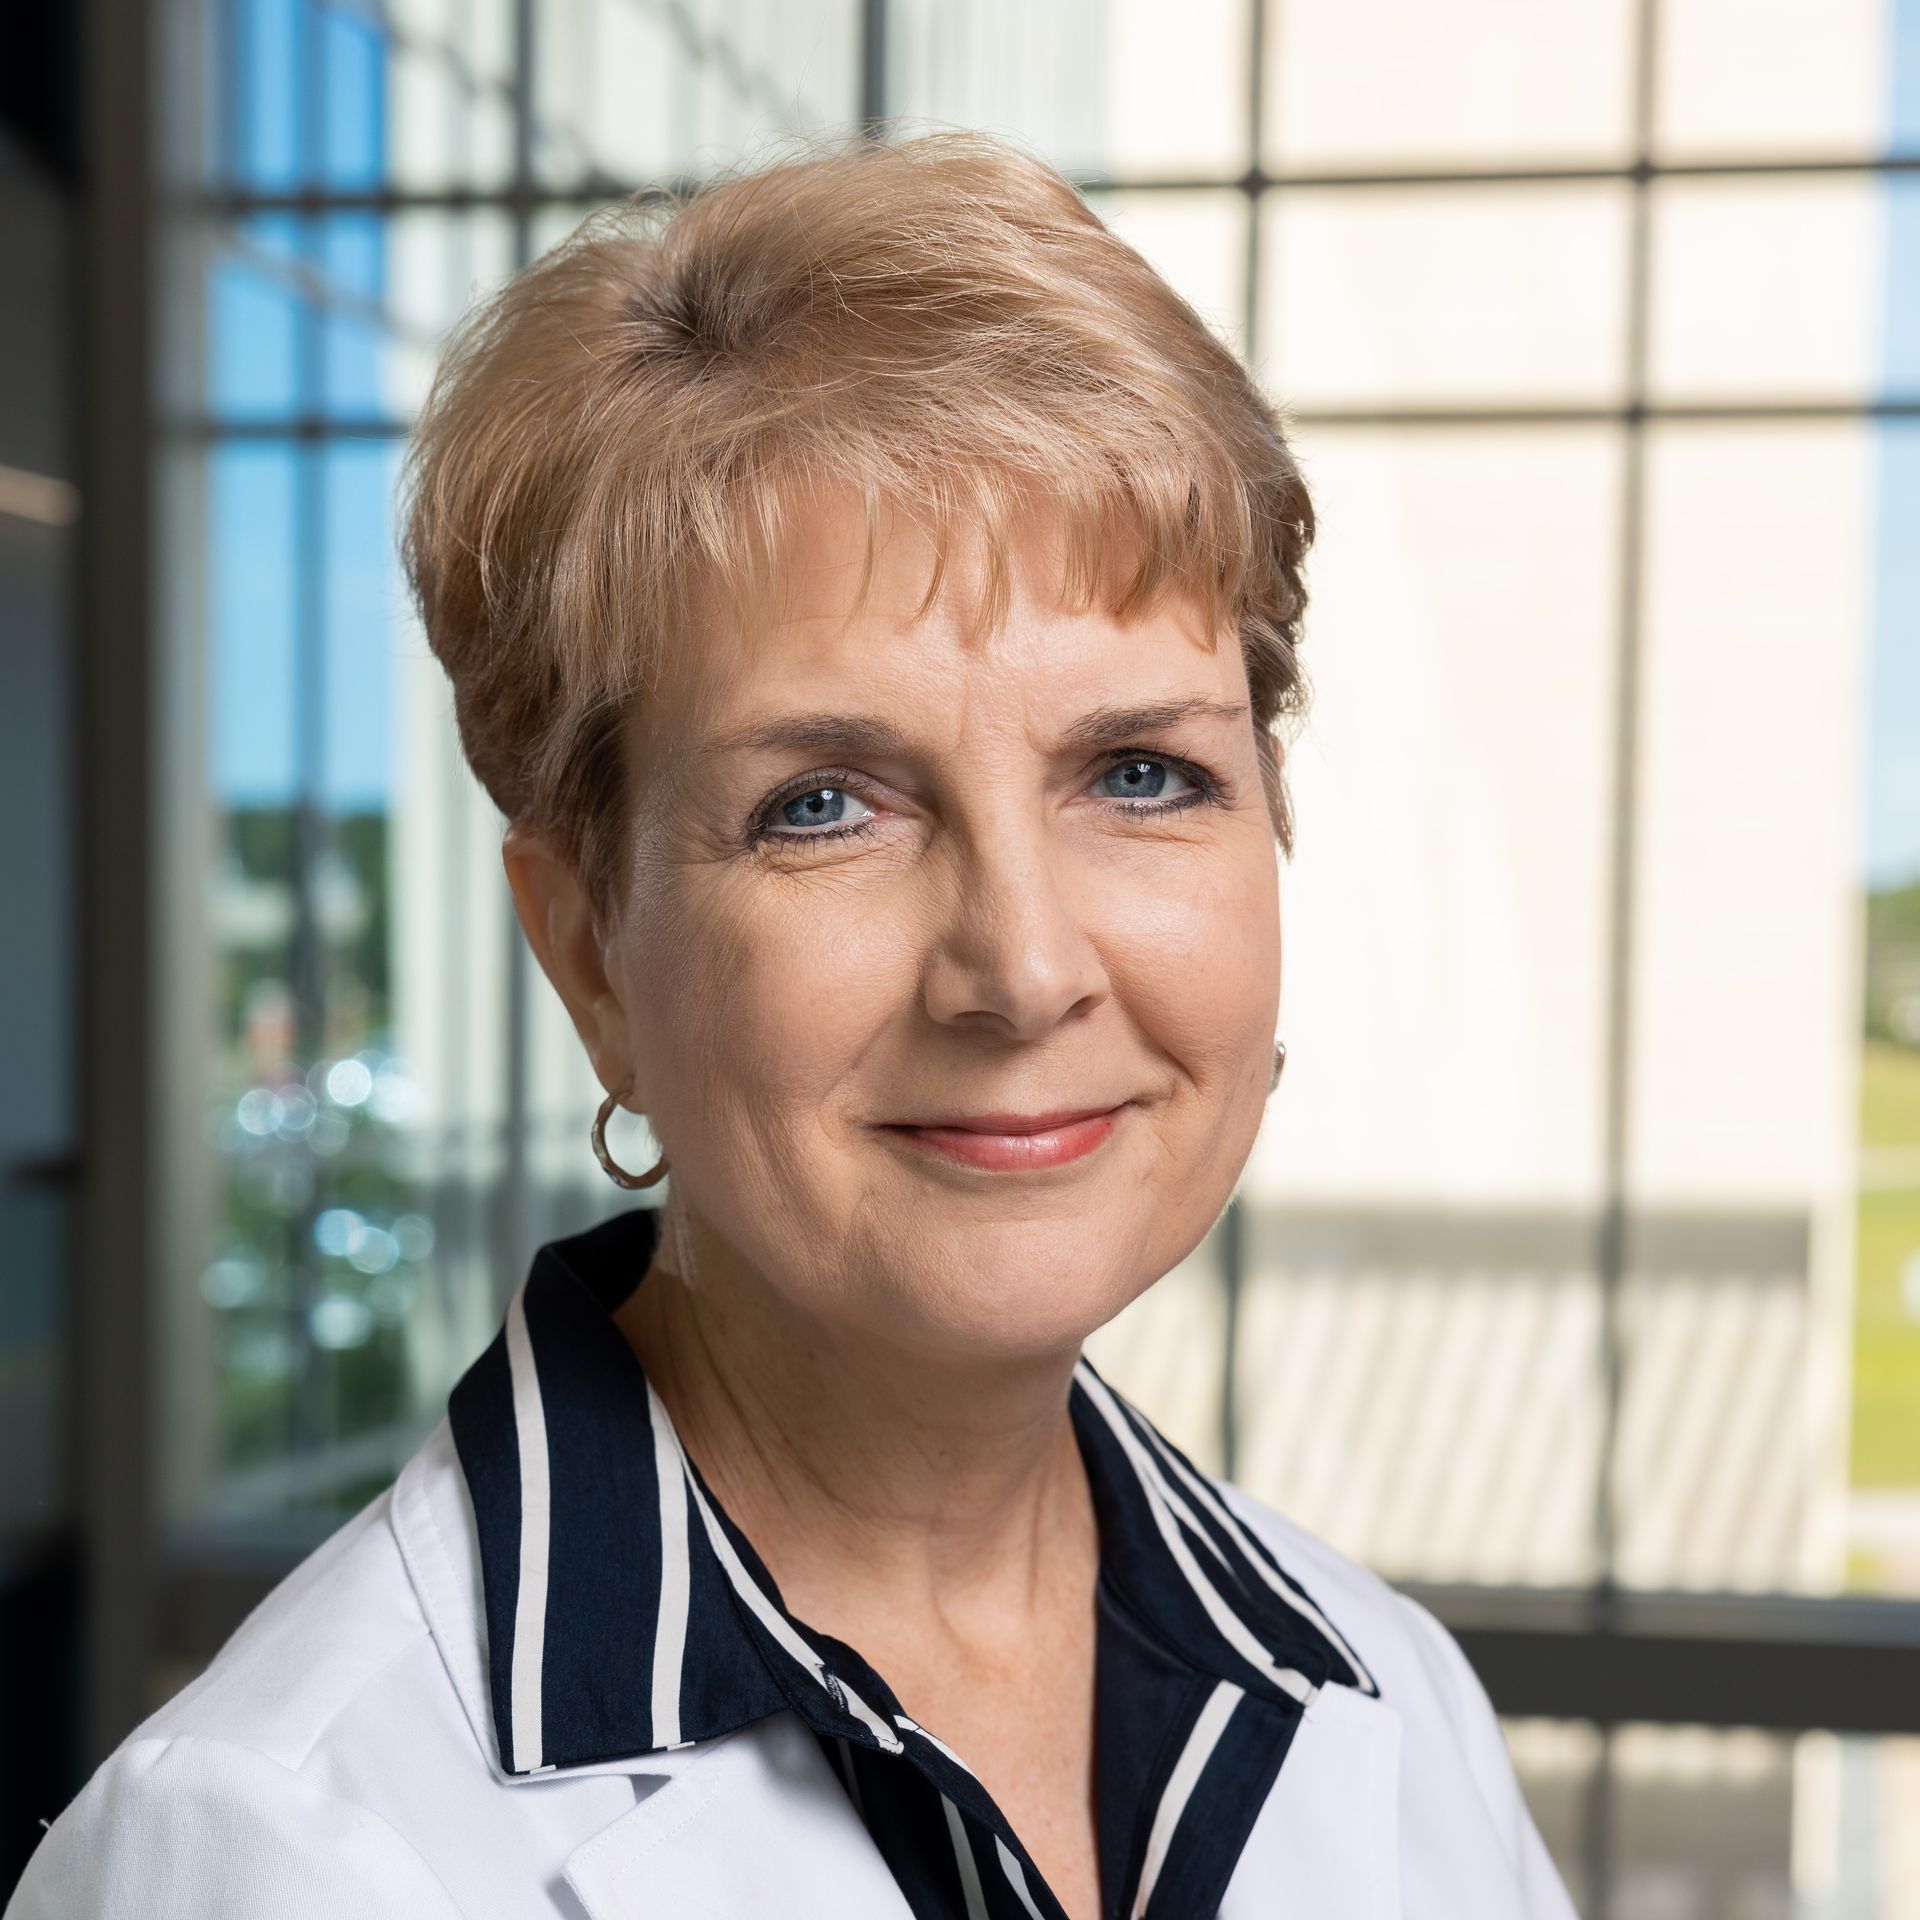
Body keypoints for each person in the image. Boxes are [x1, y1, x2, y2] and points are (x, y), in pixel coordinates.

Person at [8, 128, 1577, 1920]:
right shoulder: (279, 1850)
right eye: (825, 803)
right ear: (590, 948)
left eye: (1142, 773)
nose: (1025, 966)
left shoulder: (1391, 1708)